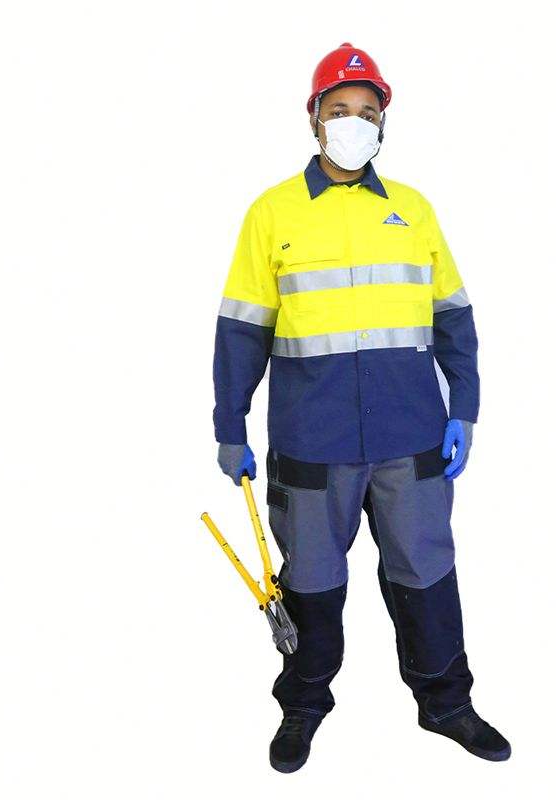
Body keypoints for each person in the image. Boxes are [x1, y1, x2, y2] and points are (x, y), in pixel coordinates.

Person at [213, 42, 510, 772]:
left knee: (426, 570)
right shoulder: (272, 212)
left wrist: (464, 409)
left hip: (411, 436)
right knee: (310, 581)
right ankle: (304, 704)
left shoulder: (412, 209)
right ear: (313, 117)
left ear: (383, 122)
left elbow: (453, 316)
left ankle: (447, 704)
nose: (354, 122)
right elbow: (242, 330)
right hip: (311, 443)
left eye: (367, 112)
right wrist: (229, 426)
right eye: (339, 109)